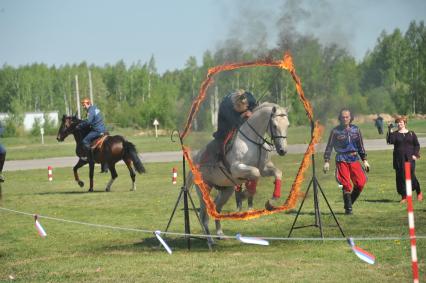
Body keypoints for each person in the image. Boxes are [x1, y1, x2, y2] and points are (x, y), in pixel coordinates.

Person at [323, 109, 370, 215]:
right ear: (340, 118)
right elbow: (329, 146)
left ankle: (348, 203)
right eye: (343, 117)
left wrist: (365, 160)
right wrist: (327, 161)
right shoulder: (335, 131)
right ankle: (348, 209)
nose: (345, 119)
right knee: (346, 184)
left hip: (354, 158)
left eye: (347, 117)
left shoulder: (356, 130)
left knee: (361, 182)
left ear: (350, 117)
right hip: (342, 159)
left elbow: (360, 146)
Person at [386, 116, 422, 203]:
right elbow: (390, 141)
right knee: (400, 177)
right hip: (399, 159)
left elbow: (416, 145)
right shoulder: (395, 134)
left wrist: (415, 154)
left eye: (401, 122)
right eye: (398, 122)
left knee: (411, 176)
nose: (399, 124)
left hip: (410, 158)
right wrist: (390, 129)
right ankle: (404, 196)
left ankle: (418, 192)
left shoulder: (411, 133)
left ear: (405, 123)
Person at [77, 98, 107, 166]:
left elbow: (88, 122)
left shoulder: (90, 111)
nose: (83, 107)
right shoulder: (95, 108)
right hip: (103, 129)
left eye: (84, 105)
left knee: (84, 141)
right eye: (83, 105)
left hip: (97, 130)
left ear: (88, 103)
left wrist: (80, 125)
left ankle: (89, 157)